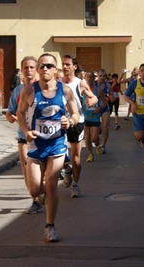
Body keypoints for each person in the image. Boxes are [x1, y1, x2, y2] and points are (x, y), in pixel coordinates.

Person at [16, 53, 80, 242]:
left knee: (51, 186)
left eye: (49, 66)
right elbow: (20, 113)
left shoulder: (65, 90)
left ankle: (50, 227)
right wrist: (26, 130)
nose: (45, 69)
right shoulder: (28, 91)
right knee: (35, 190)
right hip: (36, 144)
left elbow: (75, 113)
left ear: (55, 70)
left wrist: (69, 121)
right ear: (37, 69)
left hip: (56, 144)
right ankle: (66, 168)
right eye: (42, 66)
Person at [5, 56, 42, 214]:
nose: (29, 70)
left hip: (42, 136)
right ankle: (34, 200)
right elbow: (10, 111)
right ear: (21, 70)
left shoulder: (42, 89)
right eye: (26, 67)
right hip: (23, 136)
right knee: (27, 169)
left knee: (43, 171)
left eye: (32, 67)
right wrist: (11, 117)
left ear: (37, 70)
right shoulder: (18, 91)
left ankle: (44, 190)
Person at [60, 54, 97, 198]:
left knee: (75, 158)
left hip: (77, 122)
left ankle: (75, 184)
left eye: (68, 64)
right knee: (59, 156)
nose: (65, 67)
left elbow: (92, 96)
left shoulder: (79, 83)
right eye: (63, 64)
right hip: (60, 122)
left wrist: (91, 101)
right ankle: (67, 169)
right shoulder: (57, 82)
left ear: (74, 67)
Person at [82, 71, 107, 162]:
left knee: (95, 137)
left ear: (94, 78)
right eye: (87, 77)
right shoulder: (82, 90)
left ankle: (97, 145)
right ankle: (90, 154)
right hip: (86, 116)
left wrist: (99, 108)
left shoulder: (98, 90)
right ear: (85, 78)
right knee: (87, 137)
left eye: (91, 77)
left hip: (95, 116)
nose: (89, 79)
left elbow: (105, 102)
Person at [95, 69, 112, 154]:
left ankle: (103, 145)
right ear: (97, 76)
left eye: (104, 76)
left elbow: (112, 95)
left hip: (105, 107)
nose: (102, 77)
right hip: (95, 108)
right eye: (100, 76)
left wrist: (111, 97)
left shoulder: (108, 85)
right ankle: (97, 143)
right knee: (95, 130)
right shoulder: (92, 84)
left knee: (106, 126)